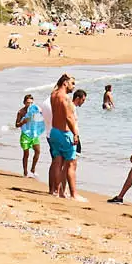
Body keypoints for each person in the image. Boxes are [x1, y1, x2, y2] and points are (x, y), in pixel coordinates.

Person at [46, 74, 85, 202]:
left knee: (57, 162)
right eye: (72, 83)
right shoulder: (65, 98)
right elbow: (68, 117)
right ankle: (74, 194)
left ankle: (57, 191)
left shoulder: (53, 94)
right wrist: (75, 134)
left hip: (54, 131)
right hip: (64, 133)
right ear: (65, 83)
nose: (73, 86)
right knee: (71, 164)